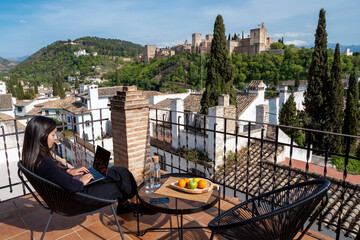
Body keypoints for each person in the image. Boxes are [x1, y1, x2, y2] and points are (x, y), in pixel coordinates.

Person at [22, 116, 153, 215]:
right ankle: (135, 203)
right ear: (41, 136)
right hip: (77, 199)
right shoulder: (45, 163)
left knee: (118, 172)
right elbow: (72, 186)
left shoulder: (33, 158)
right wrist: (82, 182)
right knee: (118, 183)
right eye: (52, 134)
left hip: (69, 194)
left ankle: (129, 203)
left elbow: (55, 175)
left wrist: (69, 172)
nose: (55, 137)